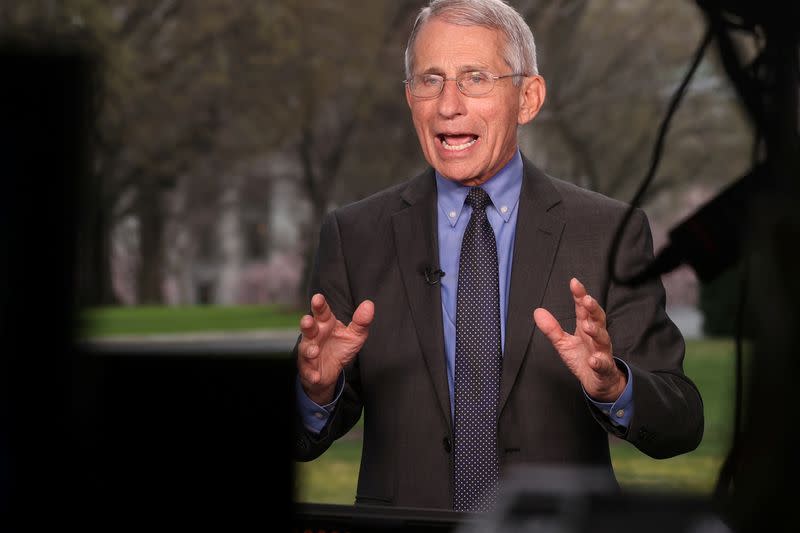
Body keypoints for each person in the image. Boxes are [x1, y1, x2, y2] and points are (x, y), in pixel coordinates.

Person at [293, 0, 703, 512]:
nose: (448, 105)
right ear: (409, 98)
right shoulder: (354, 235)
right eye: (430, 80)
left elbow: (681, 423)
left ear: (528, 97)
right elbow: (303, 440)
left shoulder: (607, 231)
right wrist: (315, 391)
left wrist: (613, 385)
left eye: (474, 78)